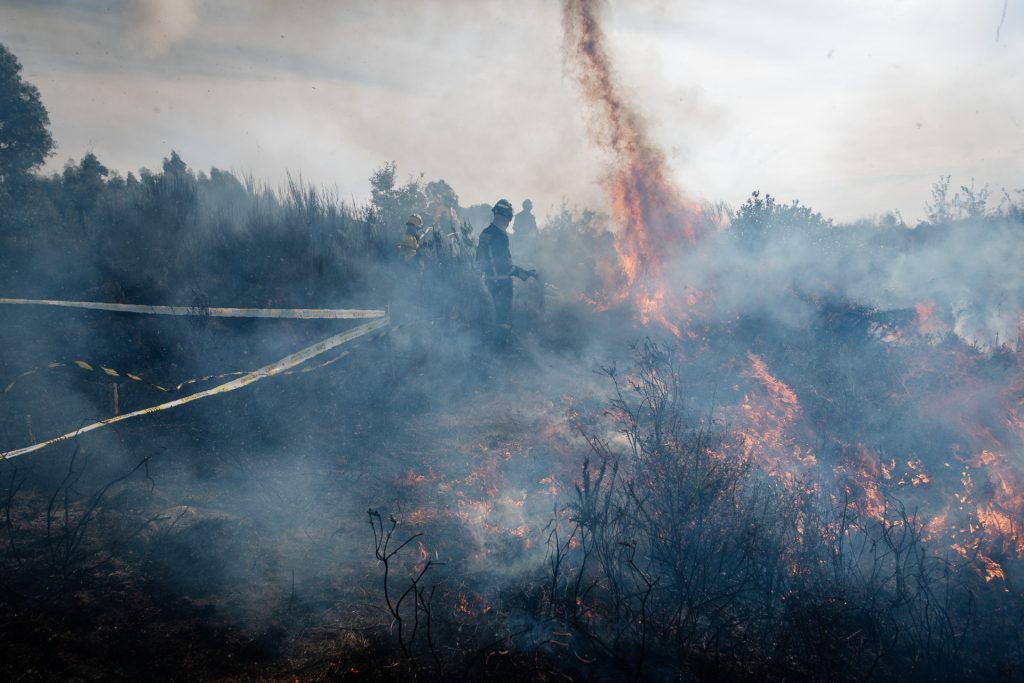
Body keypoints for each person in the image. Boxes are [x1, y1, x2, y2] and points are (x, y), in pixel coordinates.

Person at [476, 199, 536, 348]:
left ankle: (498, 344)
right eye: (508, 219)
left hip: (490, 279)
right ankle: (503, 348)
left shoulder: (485, 233)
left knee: (497, 314)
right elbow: (504, 265)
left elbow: (479, 260)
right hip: (501, 281)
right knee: (504, 317)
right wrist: (522, 274)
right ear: (504, 217)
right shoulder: (500, 236)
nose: (508, 223)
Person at [512, 198, 540, 264]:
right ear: (524, 206)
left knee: (529, 257)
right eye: (527, 206)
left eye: (529, 207)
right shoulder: (519, 216)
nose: (528, 208)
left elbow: (535, 228)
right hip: (519, 240)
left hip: (530, 241)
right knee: (519, 257)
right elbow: (515, 227)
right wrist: (522, 233)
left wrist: (538, 236)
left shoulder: (532, 217)